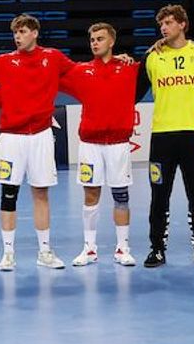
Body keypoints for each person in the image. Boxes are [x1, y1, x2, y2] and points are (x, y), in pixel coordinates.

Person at [0, 13, 77, 271]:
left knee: (41, 193)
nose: (17, 37)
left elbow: (82, 73)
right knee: (8, 194)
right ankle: (8, 253)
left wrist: (117, 62)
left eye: (22, 32)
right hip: (11, 138)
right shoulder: (4, 61)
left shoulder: (53, 57)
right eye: (15, 33)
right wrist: (0, 101)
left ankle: (44, 251)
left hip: (41, 136)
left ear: (34, 33)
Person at [143, 5, 194, 268]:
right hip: (162, 137)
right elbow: (130, 94)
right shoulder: (152, 57)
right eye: (161, 24)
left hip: (193, 136)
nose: (163, 28)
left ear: (182, 24)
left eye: (168, 22)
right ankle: (157, 249)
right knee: (159, 197)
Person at [58, 23, 141, 267]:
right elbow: (51, 77)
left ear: (112, 41)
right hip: (90, 145)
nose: (95, 43)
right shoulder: (81, 71)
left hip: (118, 145)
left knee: (121, 196)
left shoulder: (129, 68)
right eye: (92, 39)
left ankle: (123, 249)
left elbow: (155, 61)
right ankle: (89, 249)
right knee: (90, 195)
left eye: (100, 38)